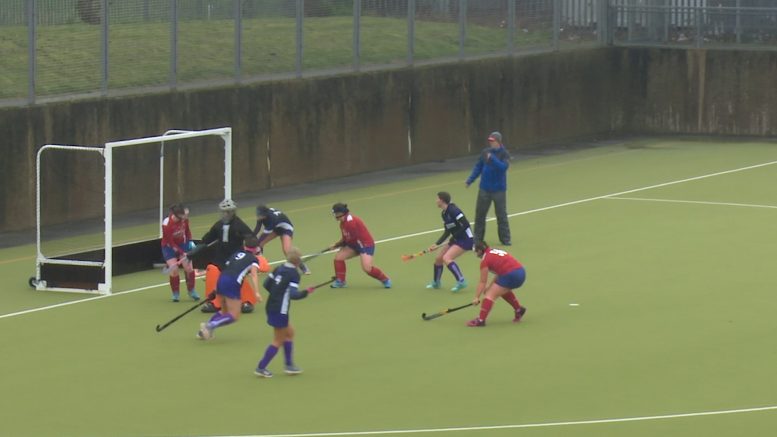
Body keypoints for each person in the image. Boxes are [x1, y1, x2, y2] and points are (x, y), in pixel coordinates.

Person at [199, 199, 266, 314]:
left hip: (235, 256)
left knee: (238, 277)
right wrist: (198, 247)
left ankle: (246, 300)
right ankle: (215, 301)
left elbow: (250, 237)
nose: (225, 214)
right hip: (220, 256)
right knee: (213, 273)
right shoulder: (219, 225)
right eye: (223, 212)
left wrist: (255, 250)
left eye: (227, 212)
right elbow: (208, 238)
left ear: (232, 212)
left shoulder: (238, 225)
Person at [254, 248, 311, 378]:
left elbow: (267, 284)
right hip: (280, 310)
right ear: (298, 262)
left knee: (289, 333)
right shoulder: (294, 274)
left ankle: (289, 365)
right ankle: (261, 367)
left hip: (271, 305)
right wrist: (306, 292)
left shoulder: (279, 268)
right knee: (278, 339)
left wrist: (277, 293)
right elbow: (294, 295)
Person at [197, 236, 263, 340]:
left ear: (244, 245)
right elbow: (254, 275)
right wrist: (257, 292)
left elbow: (225, 269)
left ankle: (204, 330)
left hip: (221, 280)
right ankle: (210, 325)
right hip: (232, 284)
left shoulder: (235, 254)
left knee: (224, 311)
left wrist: (216, 287)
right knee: (234, 315)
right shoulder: (253, 260)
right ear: (257, 248)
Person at [329, 203, 391, 289]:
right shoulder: (343, 223)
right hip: (354, 244)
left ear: (340, 213)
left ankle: (385, 280)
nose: (335, 216)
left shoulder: (350, 222)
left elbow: (349, 239)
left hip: (365, 245)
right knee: (338, 258)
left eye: (335, 213)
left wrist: (336, 245)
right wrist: (337, 245)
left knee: (367, 268)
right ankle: (341, 281)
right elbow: (345, 238)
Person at [465, 131, 512, 246]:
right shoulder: (485, 152)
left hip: (499, 190)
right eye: (490, 141)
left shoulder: (504, 154)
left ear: (498, 141)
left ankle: (505, 239)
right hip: (484, 189)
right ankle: (477, 240)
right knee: (480, 215)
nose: (491, 143)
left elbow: (503, 168)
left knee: (501, 214)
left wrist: (493, 159)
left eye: (493, 141)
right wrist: (470, 180)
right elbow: (478, 167)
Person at [467, 241, 527, 327]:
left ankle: (481, 320)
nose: (476, 254)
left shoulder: (485, 260)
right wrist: (490, 286)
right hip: (521, 272)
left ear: (479, 251)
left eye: (476, 252)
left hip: (510, 275)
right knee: (502, 289)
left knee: (489, 295)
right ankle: (519, 310)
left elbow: (482, 282)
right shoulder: (494, 251)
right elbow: (499, 273)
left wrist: (476, 297)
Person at [426, 191, 473, 292]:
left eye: (437, 199)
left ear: (442, 200)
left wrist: (454, 237)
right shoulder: (444, 214)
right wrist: (437, 244)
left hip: (466, 239)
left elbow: (466, 224)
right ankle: (436, 283)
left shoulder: (454, 210)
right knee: (439, 258)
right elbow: (447, 231)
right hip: (456, 238)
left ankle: (461, 281)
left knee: (447, 258)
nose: (436, 201)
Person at [254, 205, 310, 275]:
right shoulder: (261, 215)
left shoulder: (272, 219)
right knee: (259, 244)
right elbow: (257, 228)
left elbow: (264, 235)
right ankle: (260, 266)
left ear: (265, 214)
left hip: (286, 229)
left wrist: (254, 243)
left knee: (287, 250)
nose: (258, 217)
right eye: (258, 215)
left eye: (260, 215)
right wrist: (251, 237)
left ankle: (303, 267)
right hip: (276, 228)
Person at [161, 203, 199, 302]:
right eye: (184, 215)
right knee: (174, 270)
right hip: (168, 247)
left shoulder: (184, 219)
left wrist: (190, 242)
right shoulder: (166, 223)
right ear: (178, 215)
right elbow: (171, 242)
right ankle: (175, 293)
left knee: (189, 268)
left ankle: (191, 290)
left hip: (183, 244)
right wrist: (182, 252)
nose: (186, 216)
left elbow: (187, 232)